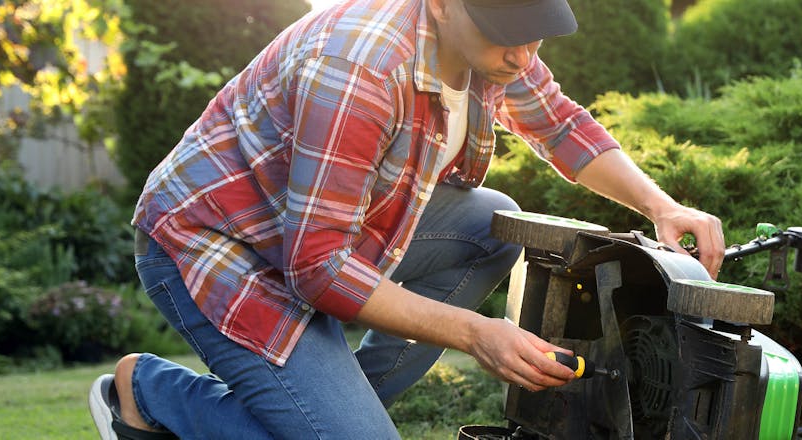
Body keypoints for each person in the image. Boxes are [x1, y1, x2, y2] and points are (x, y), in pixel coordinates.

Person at [88, 0, 726, 438]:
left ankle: (329, 406)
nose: (525, 54)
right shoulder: (360, 69)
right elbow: (317, 271)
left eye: (536, 33)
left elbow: (557, 123)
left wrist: (662, 206)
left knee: (490, 219)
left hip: (316, 236)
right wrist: (475, 333)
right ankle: (146, 391)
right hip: (216, 242)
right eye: (509, 32)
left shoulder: (493, 50)